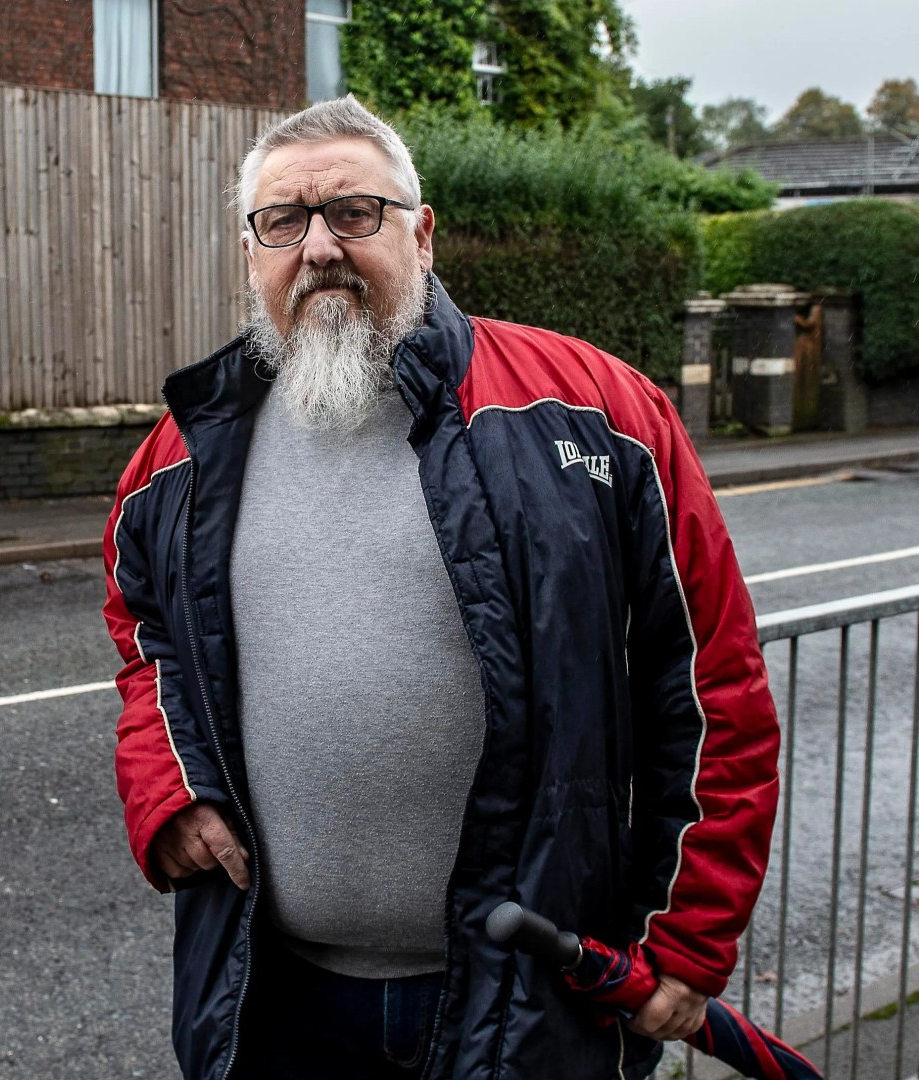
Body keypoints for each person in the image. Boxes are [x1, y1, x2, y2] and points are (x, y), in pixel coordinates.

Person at [101, 96, 780, 1080]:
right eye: (283, 222)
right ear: (253, 254)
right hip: (273, 995)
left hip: (526, 998)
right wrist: (170, 790)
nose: (320, 247)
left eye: (355, 212)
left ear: (424, 234)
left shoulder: (600, 415)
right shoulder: (182, 452)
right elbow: (144, 633)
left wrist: (688, 939)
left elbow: (713, 687)